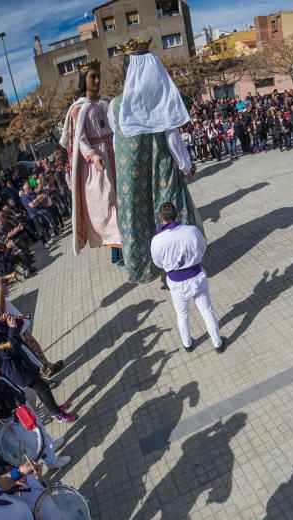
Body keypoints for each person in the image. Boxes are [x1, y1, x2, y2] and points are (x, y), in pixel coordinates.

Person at [109, 38, 204, 285]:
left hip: (133, 179)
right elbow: (173, 139)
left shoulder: (114, 105)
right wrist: (185, 165)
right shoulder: (161, 101)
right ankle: (179, 264)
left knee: (142, 221)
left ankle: (152, 267)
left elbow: (116, 142)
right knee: (169, 215)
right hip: (162, 171)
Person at [59, 59, 121, 256]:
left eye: (98, 76)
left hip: (115, 154)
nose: (96, 80)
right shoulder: (78, 109)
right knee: (106, 200)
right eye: (92, 77)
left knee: (121, 199)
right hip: (97, 163)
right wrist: (93, 157)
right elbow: (79, 139)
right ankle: (117, 249)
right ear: (83, 80)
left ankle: (121, 247)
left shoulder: (106, 102)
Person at [150, 202, 226, 353]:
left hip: (177, 283)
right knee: (207, 312)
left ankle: (188, 344)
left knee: (182, 314)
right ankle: (217, 343)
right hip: (197, 277)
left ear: (160, 217)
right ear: (177, 214)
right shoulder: (192, 231)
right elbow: (203, 248)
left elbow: (158, 263)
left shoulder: (157, 240)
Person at [0, 271, 63, 380]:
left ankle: (48, 367)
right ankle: (44, 375)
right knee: (30, 353)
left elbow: (5, 293)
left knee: (34, 347)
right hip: (8, 330)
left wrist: (1, 285)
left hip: (15, 323)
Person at [0, 308, 67, 417]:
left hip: (25, 360)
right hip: (19, 370)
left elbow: (19, 325)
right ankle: (57, 414)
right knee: (44, 387)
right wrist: (12, 329)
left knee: (40, 387)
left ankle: (54, 408)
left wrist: (11, 319)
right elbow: (9, 351)